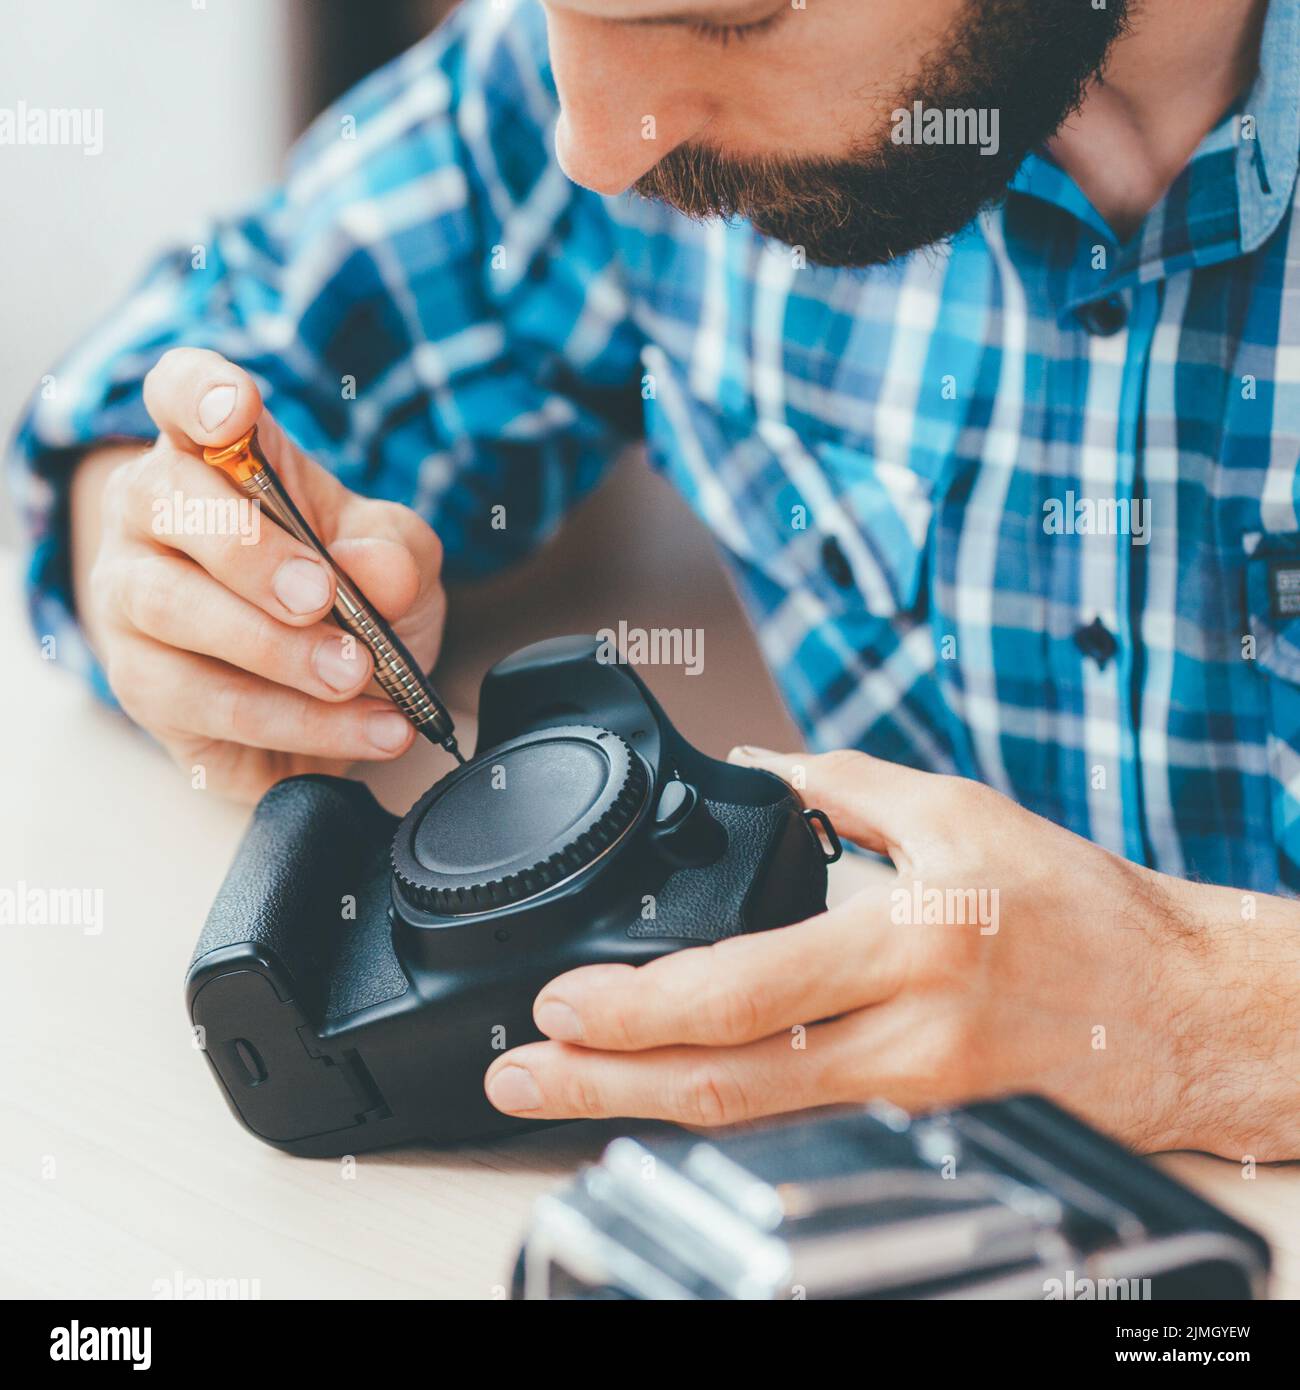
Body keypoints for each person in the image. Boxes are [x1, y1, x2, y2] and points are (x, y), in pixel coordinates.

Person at [9, 0, 1299, 1157]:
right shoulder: (593, 58)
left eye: (732, 20)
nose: (596, 150)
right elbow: (182, 366)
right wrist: (180, 570)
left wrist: (1204, 1018)